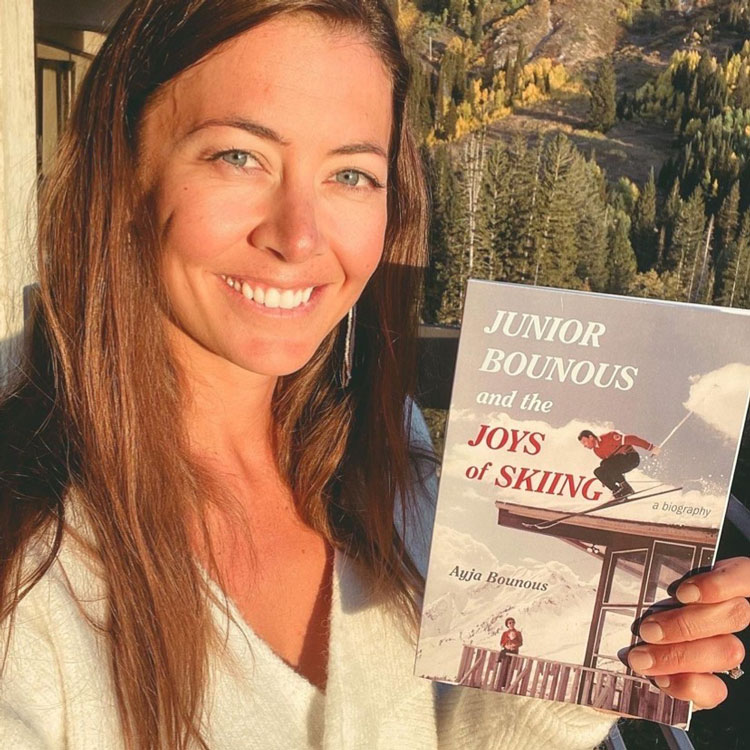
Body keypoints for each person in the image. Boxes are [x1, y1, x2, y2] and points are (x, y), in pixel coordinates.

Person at [0, 2, 748, 749]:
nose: (298, 236)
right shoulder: (29, 560)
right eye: (238, 156)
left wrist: (586, 672)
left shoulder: (390, 455)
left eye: (351, 174)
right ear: (125, 171)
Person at [578, 428, 661, 499]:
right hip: (620, 463)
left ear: (591, 437)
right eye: (583, 444)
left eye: (585, 442)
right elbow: (612, 466)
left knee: (605, 463)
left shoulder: (608, 437)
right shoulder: (597, 451)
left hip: (631, 458)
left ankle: (626, 487)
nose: (585, 445)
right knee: (598, 471)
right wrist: (606, 479)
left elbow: (632, 439)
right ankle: (617, 491)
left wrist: (651, 447)